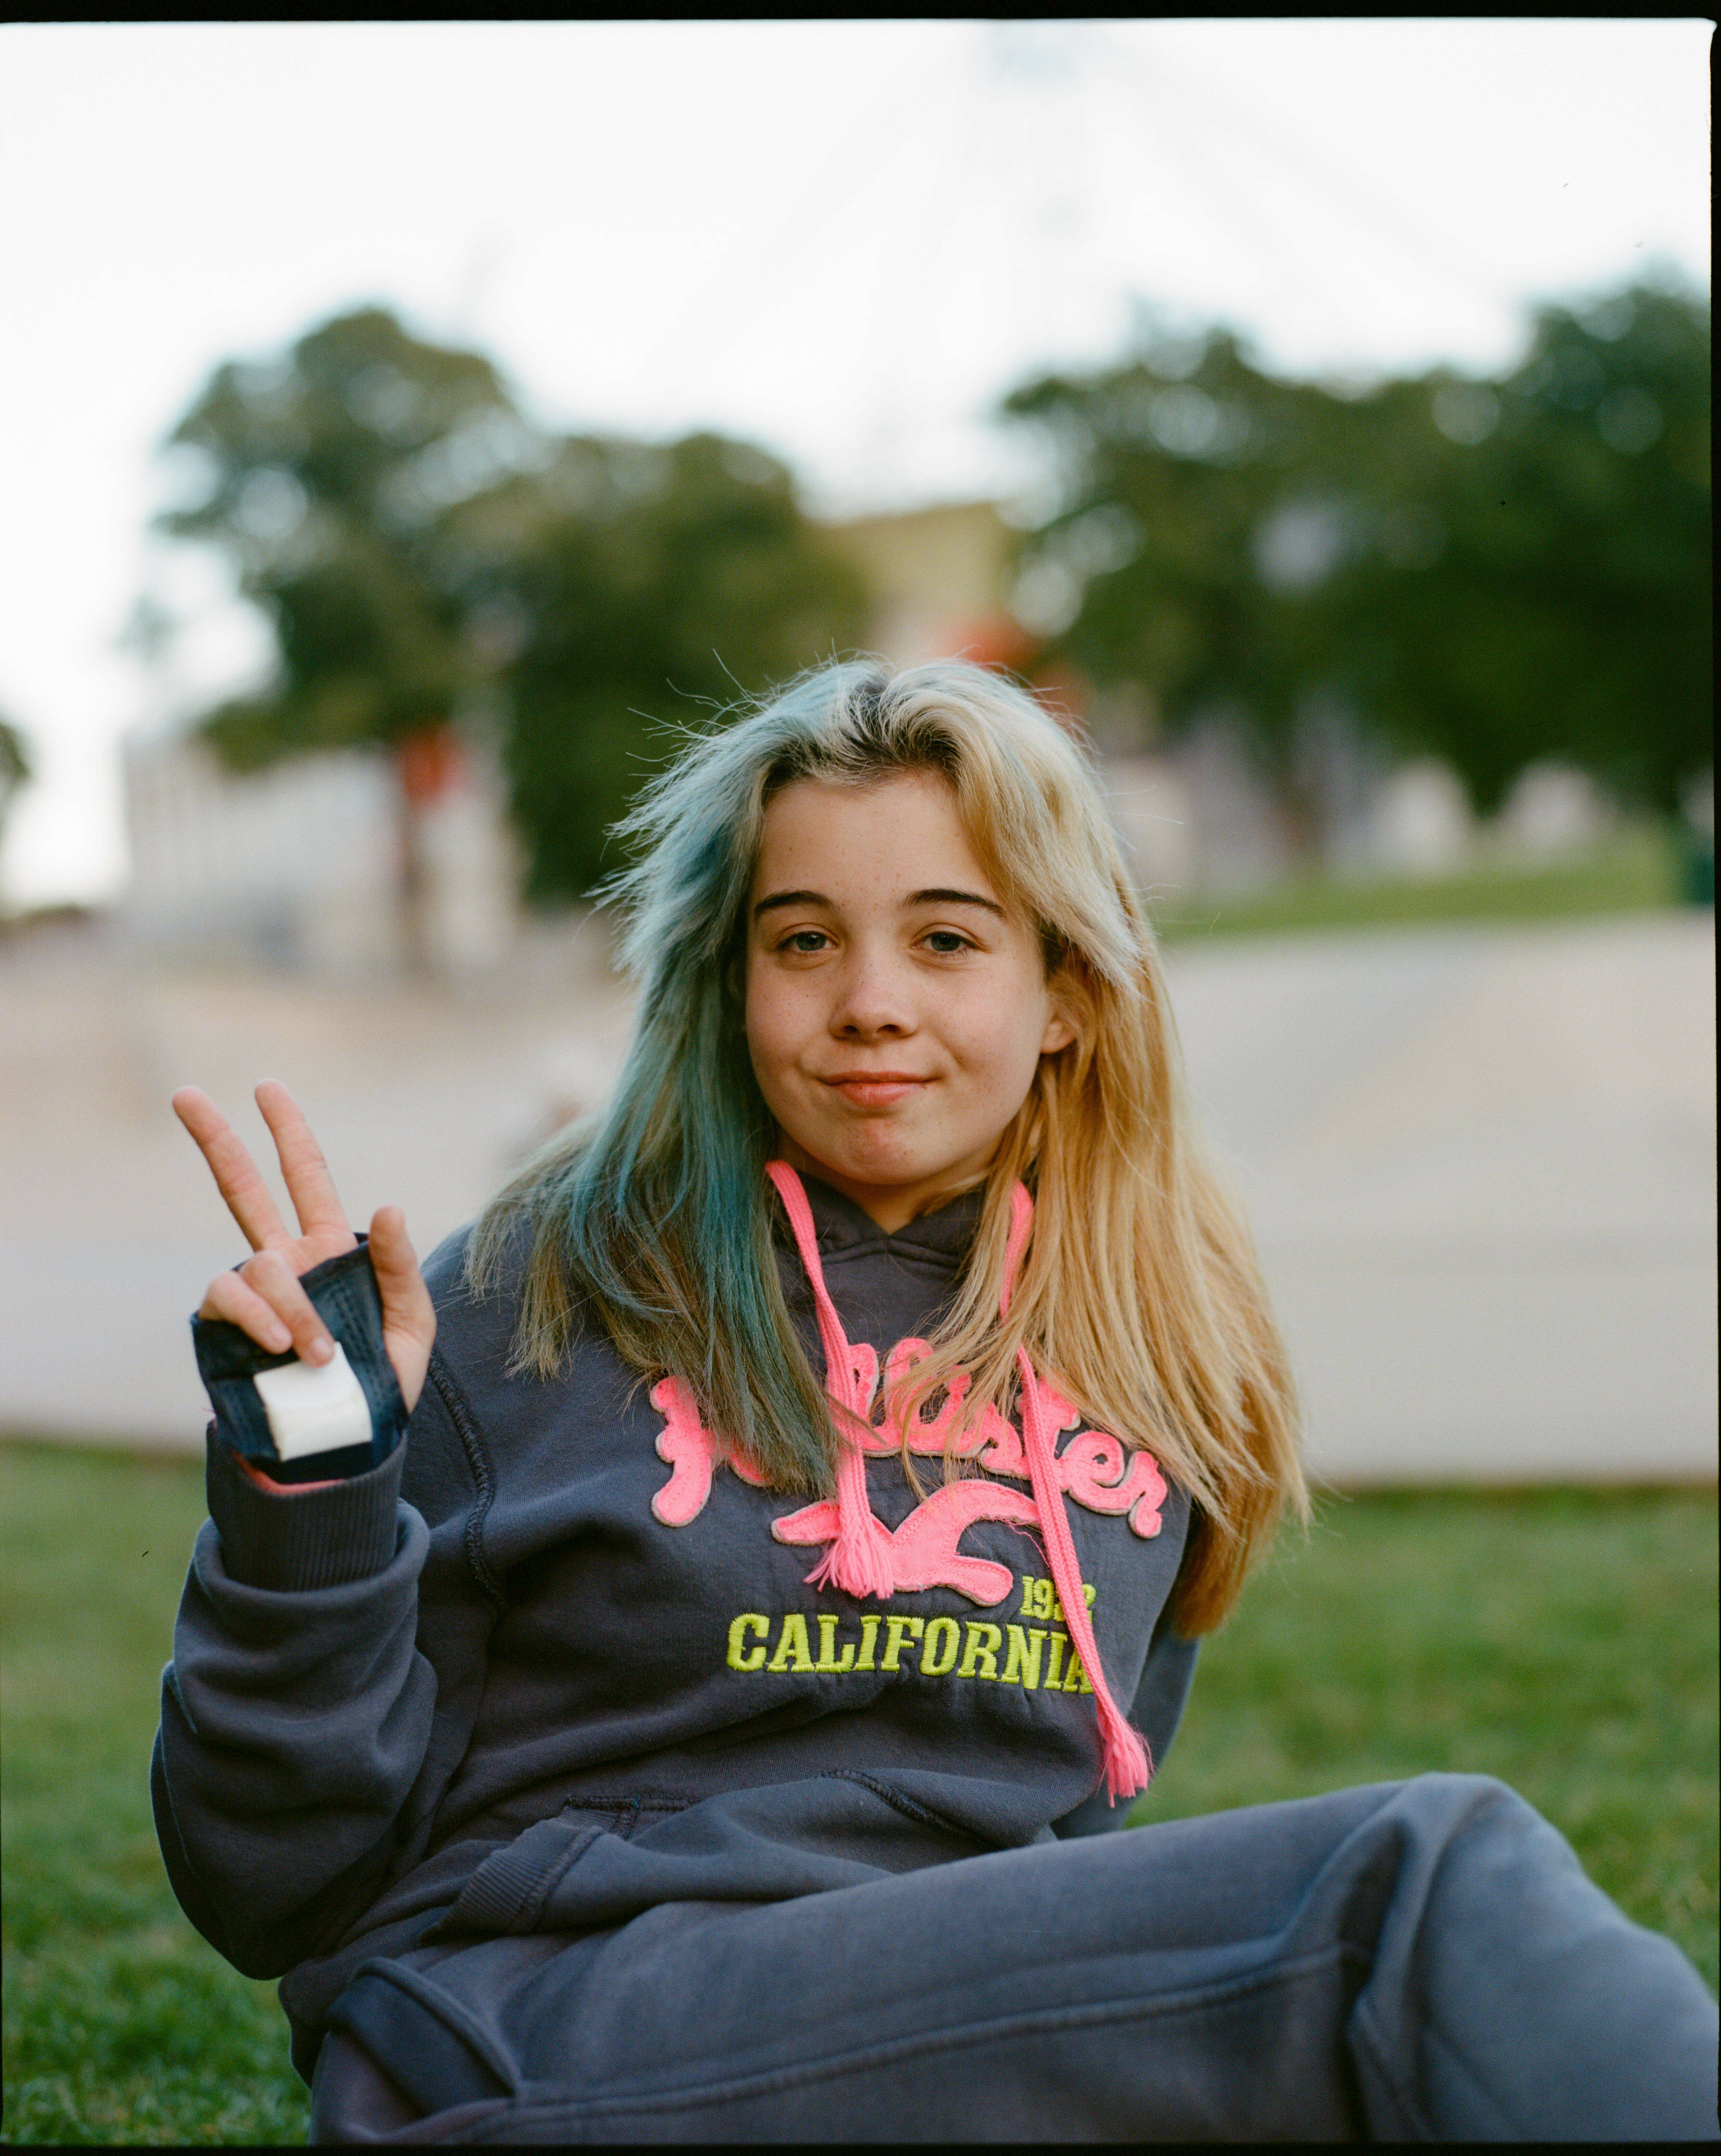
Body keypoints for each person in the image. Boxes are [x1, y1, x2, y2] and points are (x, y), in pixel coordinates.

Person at [154, 659, 1717, 2144]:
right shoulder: (539, 1296)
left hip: (920, 2043)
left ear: (1068, 992)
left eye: (950, 938)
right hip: (527, 2027)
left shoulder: (1156, 1346)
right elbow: (271, 1881)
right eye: (805, 940)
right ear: (731, 975)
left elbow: (1065, 1848)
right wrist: (318, 1470)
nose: (871, 1002)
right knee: (1418, 1895)